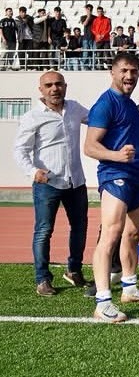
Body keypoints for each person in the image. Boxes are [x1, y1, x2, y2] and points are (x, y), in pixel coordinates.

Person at [84, 52, 139, 323]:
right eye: (125, 71)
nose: (130, 76)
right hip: (115, 174)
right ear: (113, 72)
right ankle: (102, 301)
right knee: (112, 233)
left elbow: (131, 141)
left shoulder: (130, 105)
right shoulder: (105, 104)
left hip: (137, 176)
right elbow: (90, 146)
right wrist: (117, 156)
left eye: (134, 71)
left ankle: (129, 287)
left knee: (133, 233)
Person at [13, 71, 89, 295]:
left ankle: (74, 271)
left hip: (76, 182)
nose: (54, 89)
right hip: (48, 183)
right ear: (41, 90)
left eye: (58, 84)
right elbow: (20, 150)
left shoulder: (75, 109)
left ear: (65, 86)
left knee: (80, 228)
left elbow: (98, 120)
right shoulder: (32, 117)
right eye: (49, 85)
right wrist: (32, 171)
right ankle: (42, 279)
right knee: (44, 231)